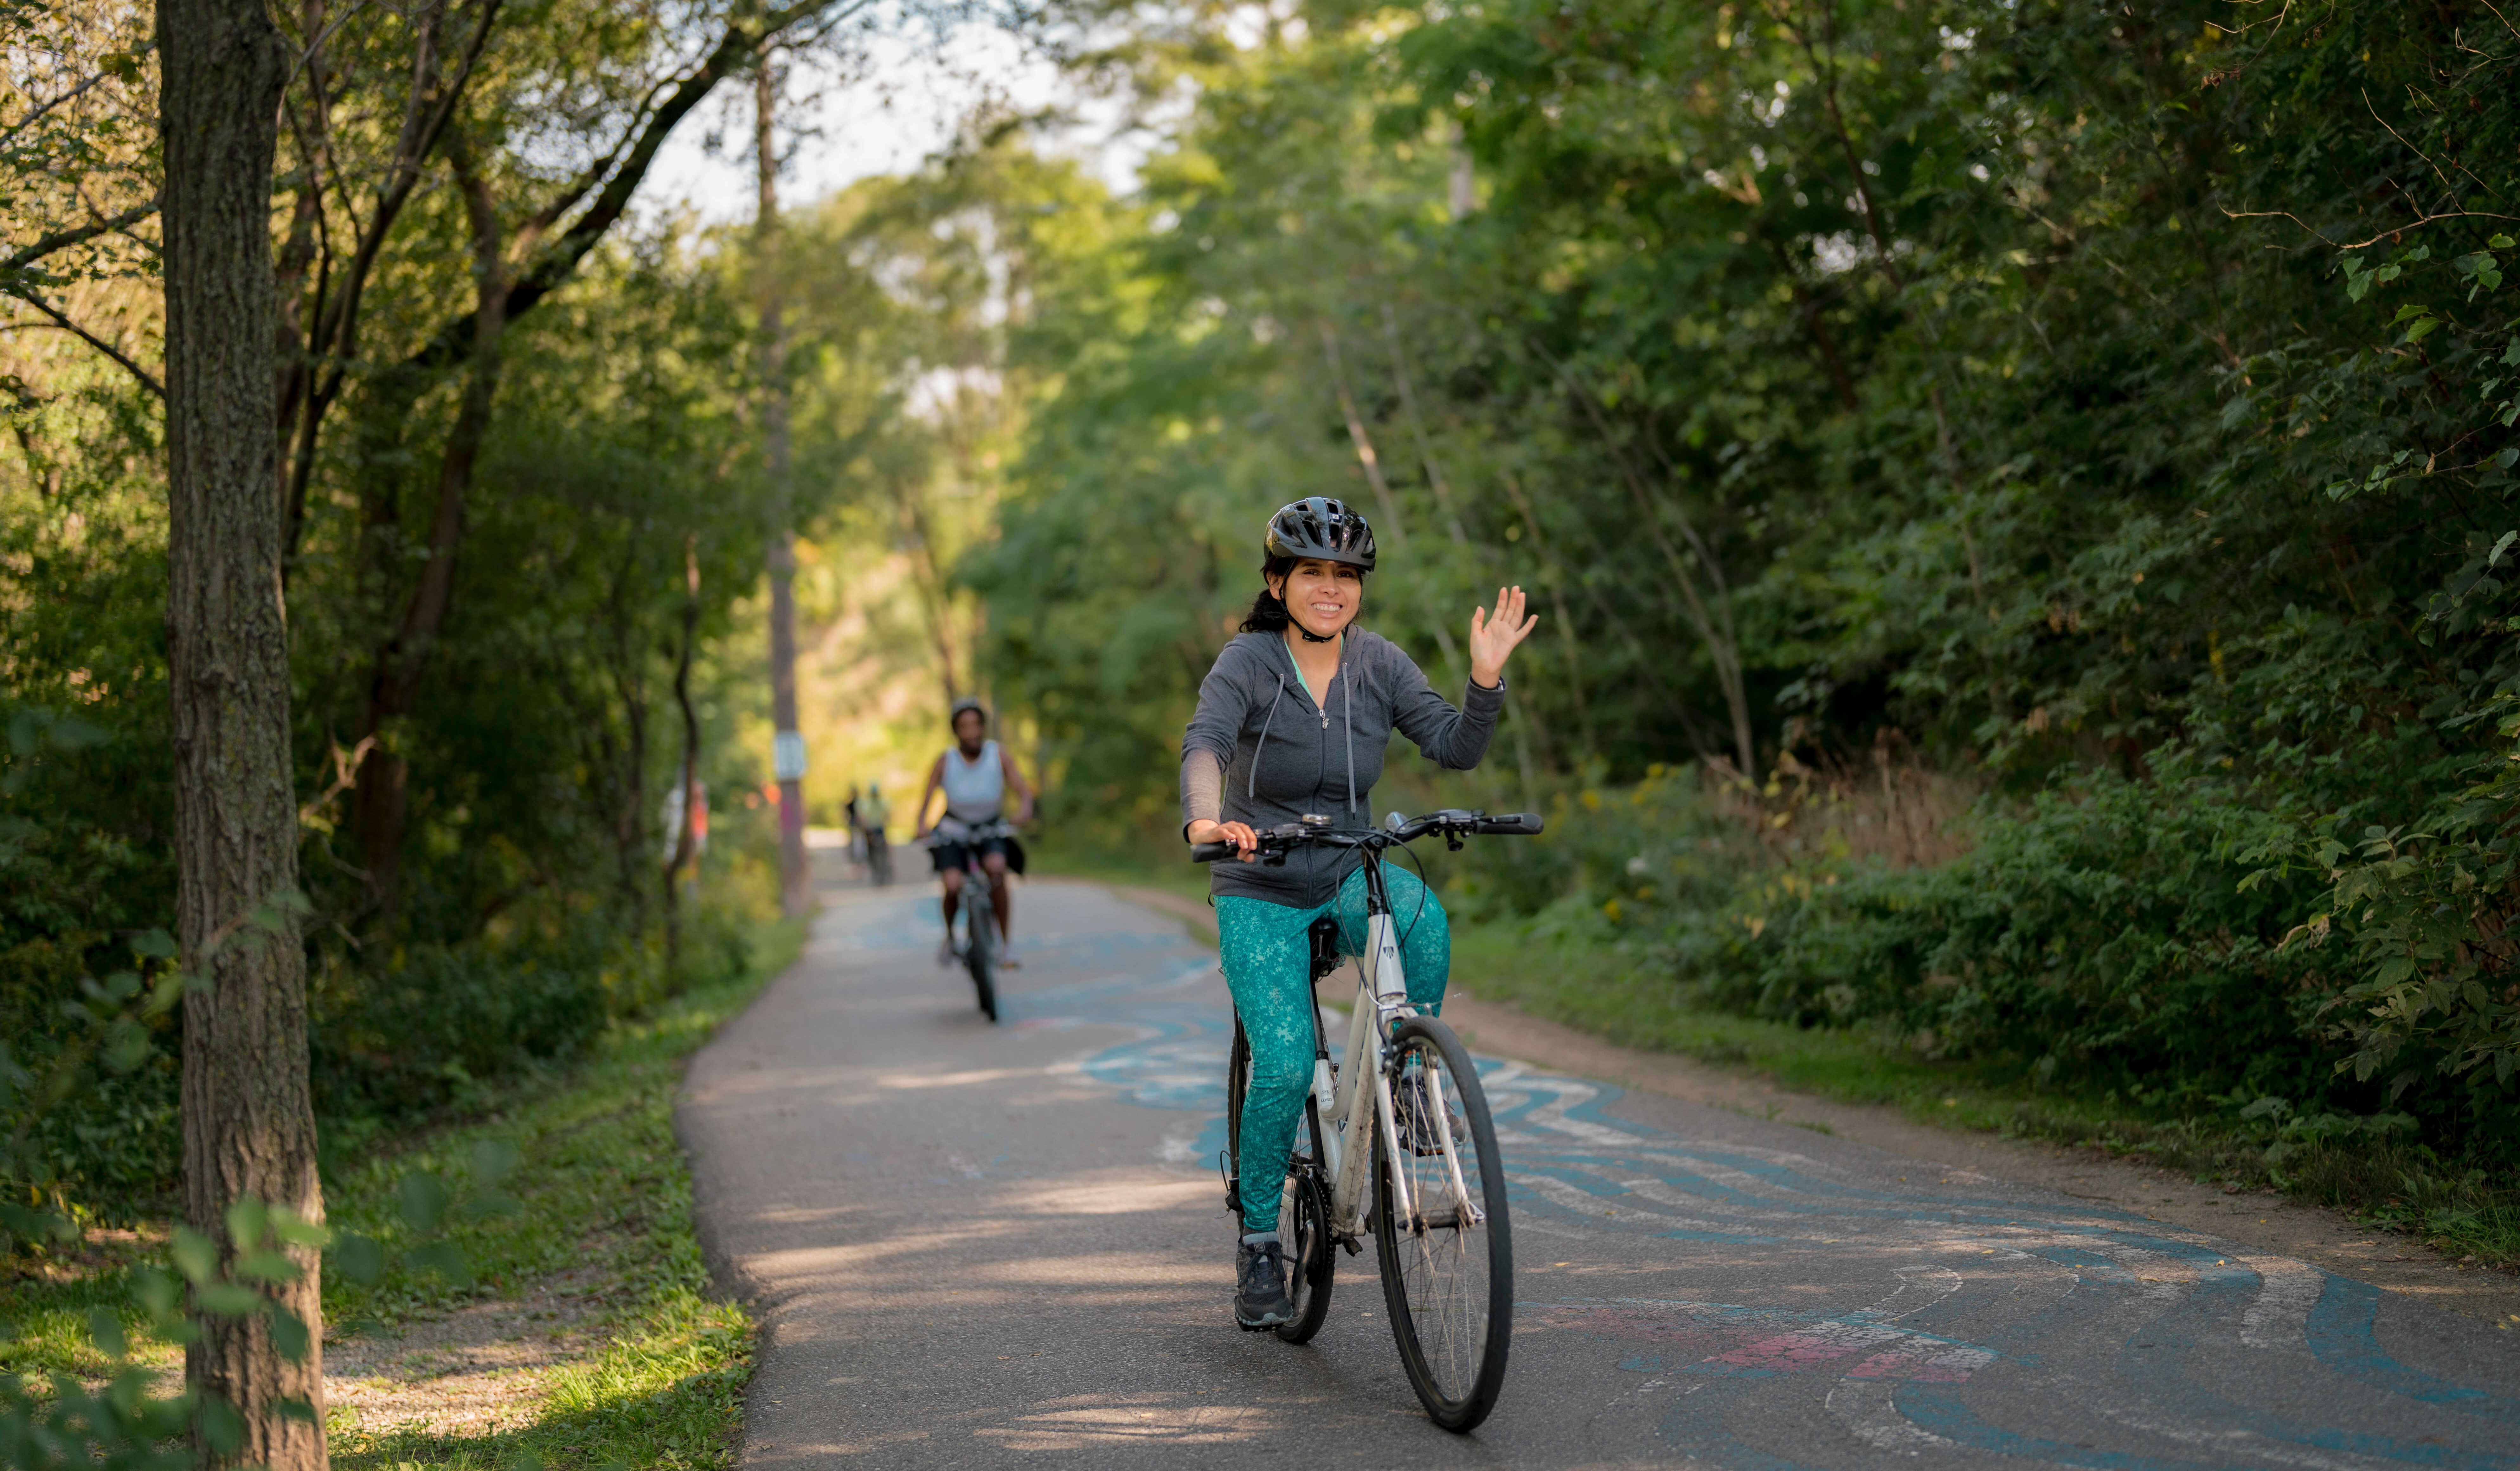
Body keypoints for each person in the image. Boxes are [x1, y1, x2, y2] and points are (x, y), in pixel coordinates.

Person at [1181, 495, 1536, 1331]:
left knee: (1423, 921)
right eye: (1313, 573)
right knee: (1283, 1060)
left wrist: (1485, 681)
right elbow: (1206, 744)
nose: (1331, 588)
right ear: (1280, 582)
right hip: (1258, 880)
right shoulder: (1247, 662)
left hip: (1348, 865)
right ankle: (1263, 1241)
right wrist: (1206, 820)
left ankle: (1408, 1081)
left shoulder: (1380, 664)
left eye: (1346, 575)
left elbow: (1455, 747)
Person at [913, 699, 1035, 968]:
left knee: (997, 868)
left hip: (990, 826)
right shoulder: (946, 761)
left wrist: (1025, 810)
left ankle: (1006, 944)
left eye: (976, 725)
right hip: (954, 828)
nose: (971, 732)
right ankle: (950, 937)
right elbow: (927, 798)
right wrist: (921, 825)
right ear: (956, 731)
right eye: (964, 727)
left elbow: (1022, 790)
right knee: (953, 883)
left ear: (983, 727)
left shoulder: (998, 754)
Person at [859, 782, 892, 883]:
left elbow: (887, 816)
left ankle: (883, 872)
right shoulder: (868, 803)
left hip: (877, 829)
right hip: (872, 830)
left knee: (880, 852)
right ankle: (880, 872)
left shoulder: (878, 803)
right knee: (873, 853)